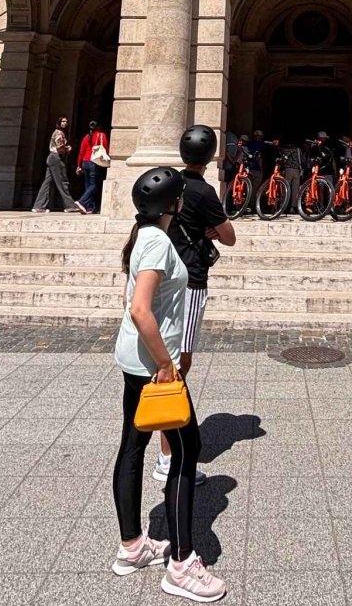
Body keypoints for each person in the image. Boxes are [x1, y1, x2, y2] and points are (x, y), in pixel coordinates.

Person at [110, 167, 226, 603]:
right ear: (174, 203)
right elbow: (142, 309)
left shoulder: (142, 235)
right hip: (152, 365)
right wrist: (165, 363)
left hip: (133, 359)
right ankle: (181, 564)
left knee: (133, 447)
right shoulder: (157, 241)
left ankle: (133, 547)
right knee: (186, 451)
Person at [154, 125, 237, 484]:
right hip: (191, 281)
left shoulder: (169, 183)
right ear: (211, 155)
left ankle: (166, 448)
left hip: (163, 279)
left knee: (169, 360)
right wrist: (212, 229)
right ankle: (167, 456)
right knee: (177, 365)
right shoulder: (204, 192)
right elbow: (230, 237)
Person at [33, 116, 77, 213]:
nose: (65, 123)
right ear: (59, 122)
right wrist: (67, 148)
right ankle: (69, 205)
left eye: (66, 122)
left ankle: (39, 206)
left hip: (52, 158)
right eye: (63, 121)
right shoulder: (58, 133)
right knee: (62, 181)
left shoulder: (57, 132)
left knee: (47, 183)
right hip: (56, 158)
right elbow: (59, 146)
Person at [77, 120, 110, 214]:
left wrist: (78, 166)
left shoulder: (86, 137)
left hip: (84, 162)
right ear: (99, 127)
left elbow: (81, 152)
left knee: (88, 186)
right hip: (94, 163)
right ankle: (81, 202)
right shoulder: (101, 135)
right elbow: (106, 147)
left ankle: (90, 207)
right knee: (94, 185)